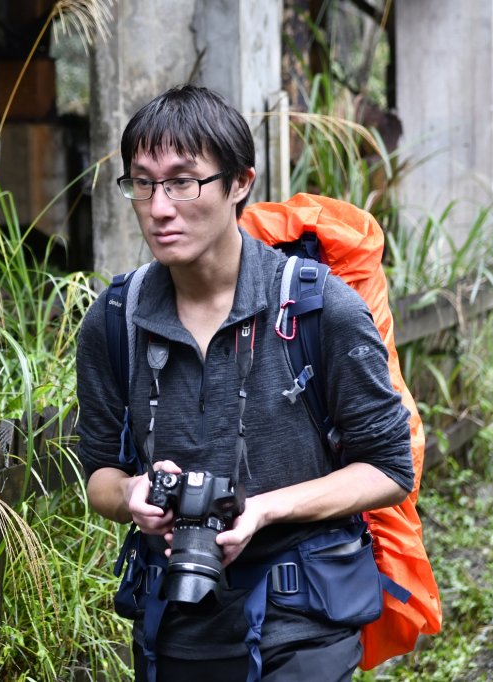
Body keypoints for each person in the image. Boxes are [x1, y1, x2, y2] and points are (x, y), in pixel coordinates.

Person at [75, 84, 414, 681]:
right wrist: (131, 494)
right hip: (174, 616)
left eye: (184, 181)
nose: (159, 206)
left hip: (302, 616)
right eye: (143, 183)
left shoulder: (318, 309)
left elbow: (389, 469)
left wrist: (261, 511)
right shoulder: (115, 319)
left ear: (239, 183)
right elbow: (98, 476)